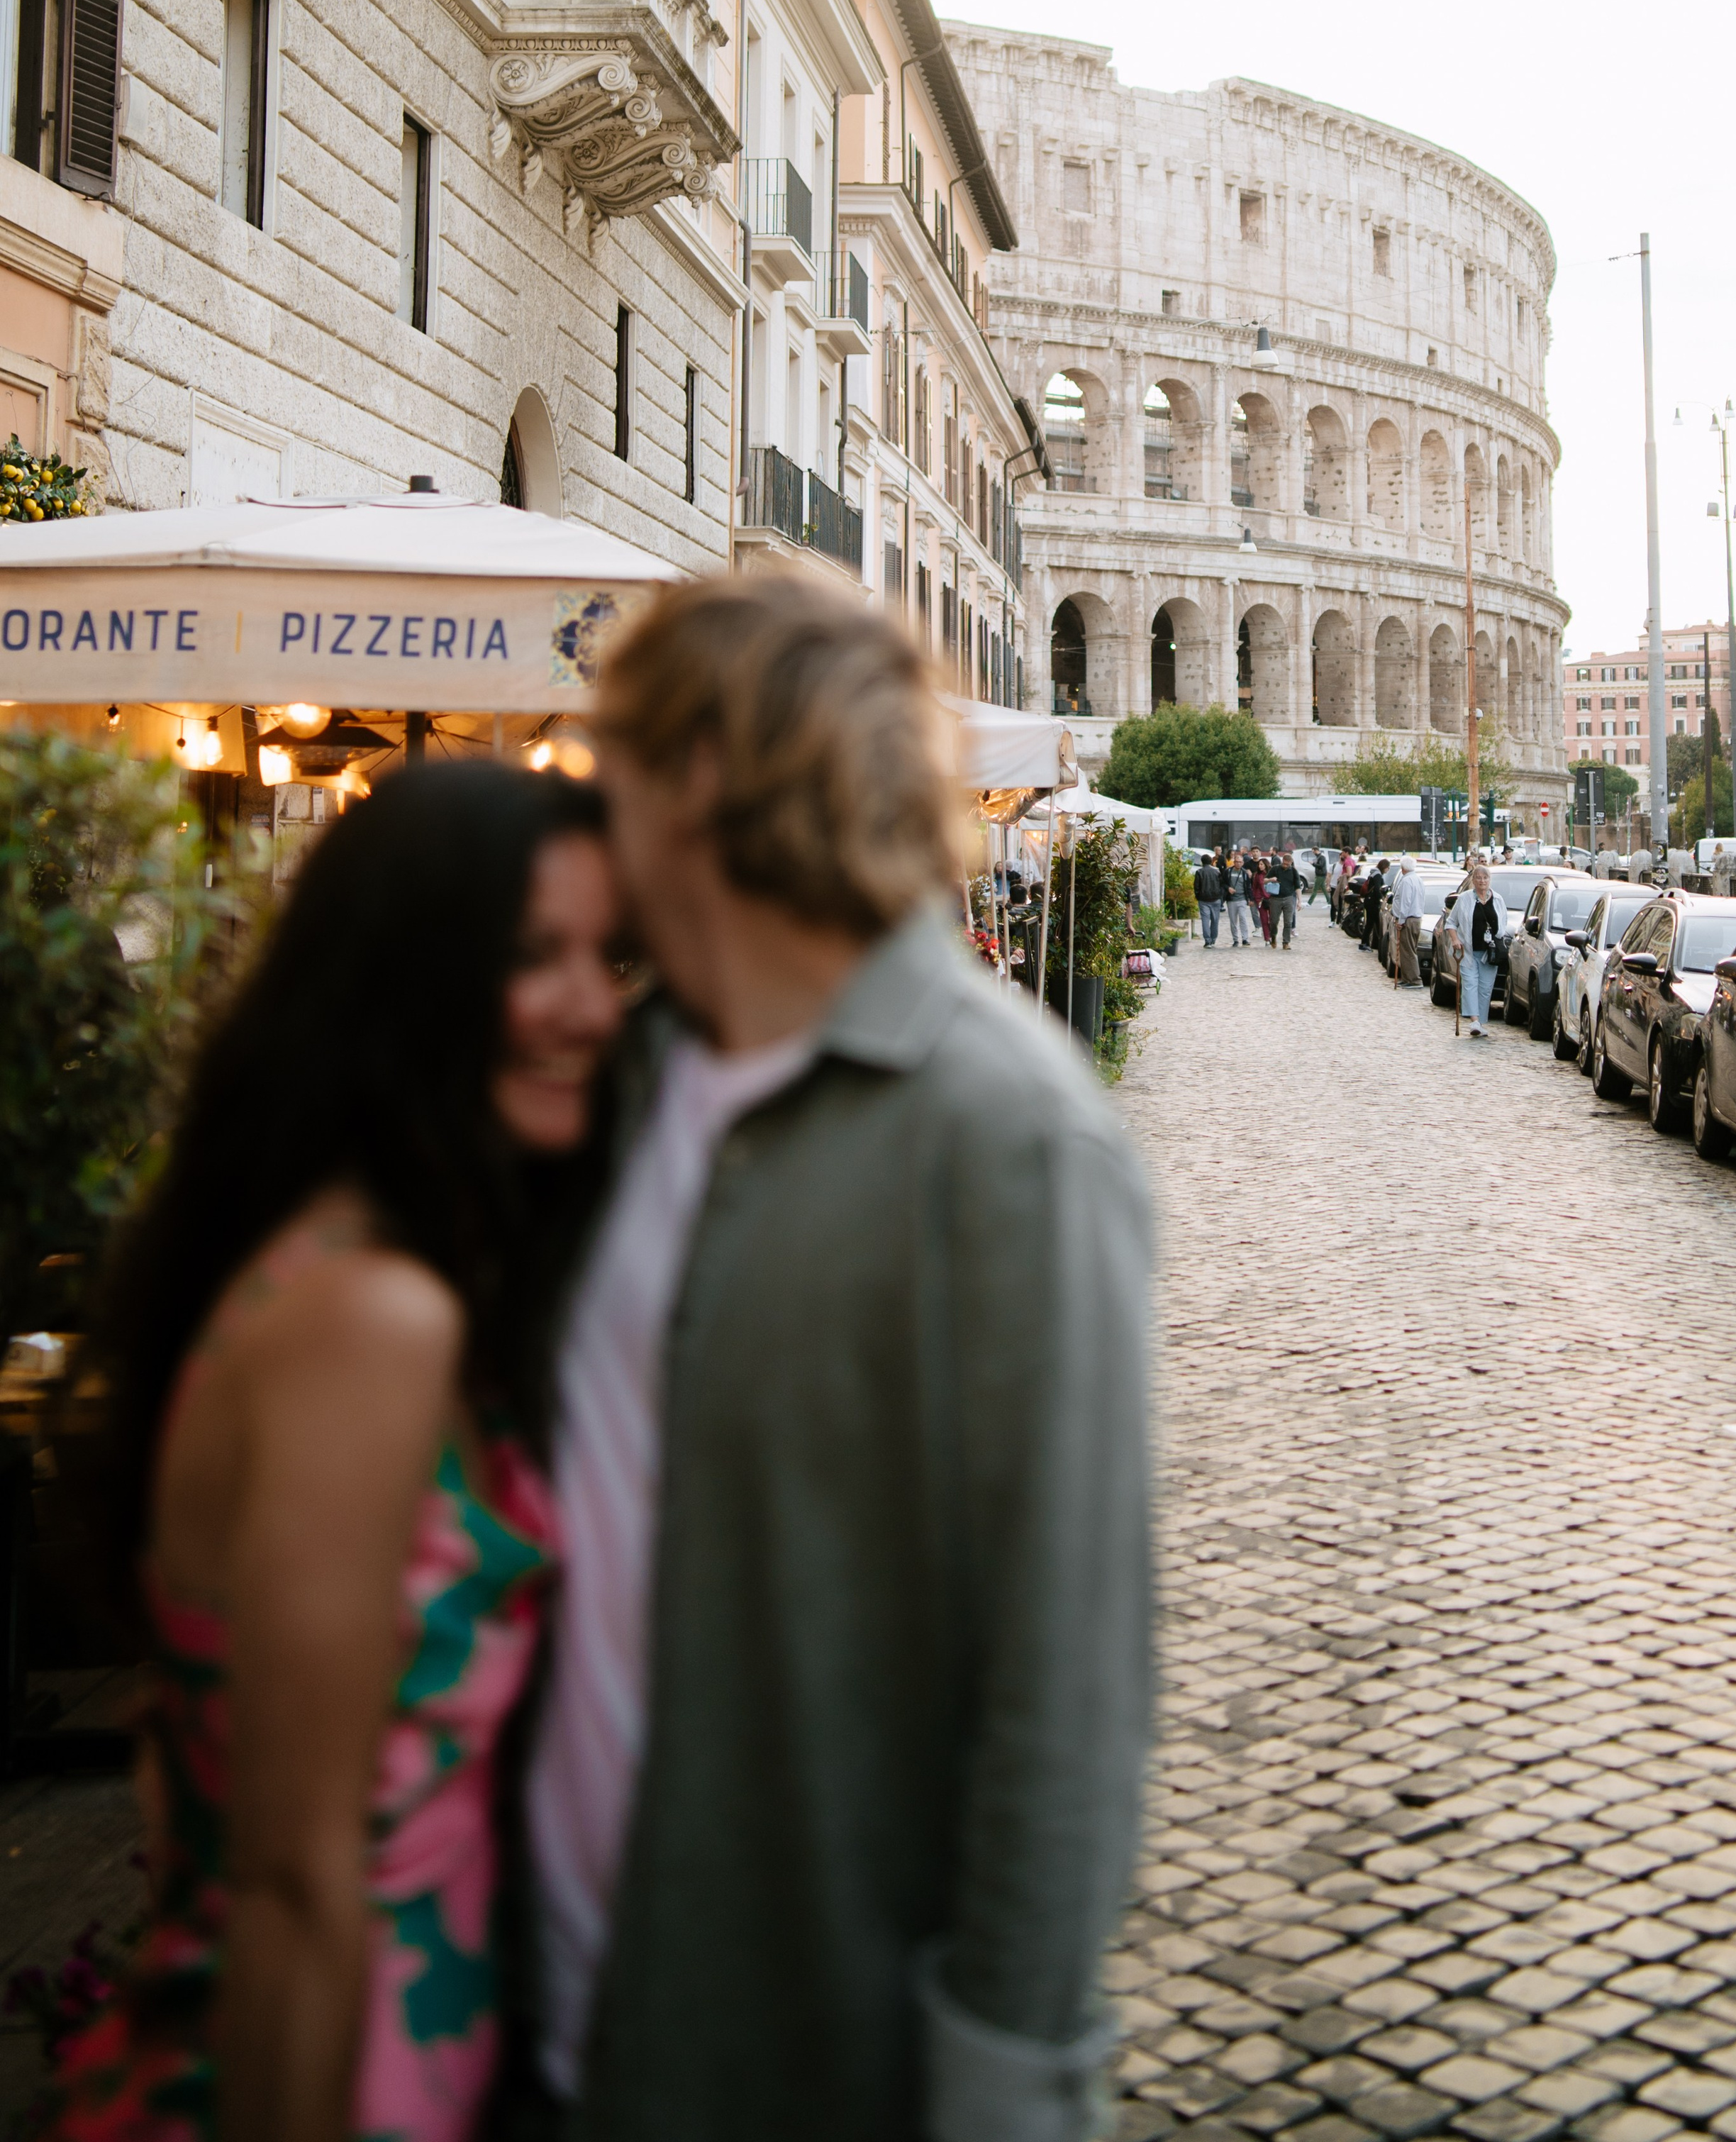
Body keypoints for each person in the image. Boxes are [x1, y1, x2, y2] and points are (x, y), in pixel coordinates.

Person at [518, 574, 1152, 2142]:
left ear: (708, 777)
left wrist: (1005, 2088)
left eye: (615, 761)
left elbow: (1060, 1677)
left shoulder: (1004, 1132)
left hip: (806, 2050)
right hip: (551, 2028)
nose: (588, 805)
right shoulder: (624, 1082)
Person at [50, 765, 622, 2142]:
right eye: (530, 956)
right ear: (404, 979)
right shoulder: (369, 1314)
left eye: (611, 958)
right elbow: (296, 1880)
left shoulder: (328, 1260)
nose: (591, 1007)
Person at [1448, 858, 1502, 1038]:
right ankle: (1474, 1022)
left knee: (1485, 988)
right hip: (1468, 952)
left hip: (1490, 953)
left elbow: (1503, 925)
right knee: (1470, 985)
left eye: (1485, 878)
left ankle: (1480, 1021)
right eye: (1478, 878)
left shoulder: (1498, 900)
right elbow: (1451, 923)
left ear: (1490, 880)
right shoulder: (1464, 899)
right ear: (1473, 880)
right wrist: (1455, 940)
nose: (1482, 881)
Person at [1392, 855, 1425, 988]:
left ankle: (1414, 980)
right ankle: (1407, 978)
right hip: (1415, 918)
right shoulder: (1417, 879)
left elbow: (1406, 902)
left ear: (1403, 868)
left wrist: (1401, 920)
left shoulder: (1407, 881)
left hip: (1409, 919)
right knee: (1408, 950)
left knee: (1408, 951)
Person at [1274, 845, 1302, 951]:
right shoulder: (1276, 869)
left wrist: (1300, 901)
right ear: (1282, 861)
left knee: (1288, 922)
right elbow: (1265, 880)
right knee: (1274, 921)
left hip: (1290, 897)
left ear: (1291, 863)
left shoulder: (1294, 872)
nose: (1286, 866)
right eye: (1284, 864)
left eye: (1288, 864)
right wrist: (1271, 880)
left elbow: (1298, 887)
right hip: (1276, 898)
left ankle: (1286, 942)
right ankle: (1273, 936)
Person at [1193, 849, 1221, 947]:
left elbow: (1196, 886)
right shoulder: (1217, 872)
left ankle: (1208, 940)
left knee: (1205, 920)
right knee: (1215, 920)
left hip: (1203, 899)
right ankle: (1213, 939)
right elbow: (1221, 884)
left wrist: (1198, 896)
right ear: (1211, 861)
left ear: (1202, 862)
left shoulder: (1199, 872)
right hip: (1216, 898)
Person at [1225, 848, 1252, 947]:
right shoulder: (1228, 872)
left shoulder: (1245, 873)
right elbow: (1222, 883)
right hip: (1231, 900)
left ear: (1243, 863)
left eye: (1240, 862)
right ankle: (1236, 939)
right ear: (1234, 862)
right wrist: (1228, 888)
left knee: (1243, 919)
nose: (1238, 864)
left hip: (1242, 899)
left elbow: (1248, 887)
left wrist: (1250, 899)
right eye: (1236, 862)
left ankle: (1245, 939)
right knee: (1233, 921)